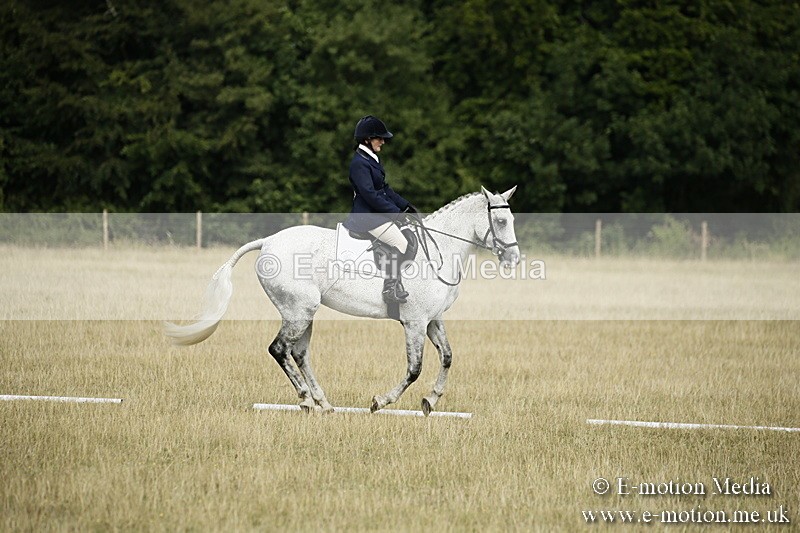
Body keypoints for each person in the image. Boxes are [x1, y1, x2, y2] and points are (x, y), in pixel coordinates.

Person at [343, 115, 417, 304]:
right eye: (379, 138)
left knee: (409, 236)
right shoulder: (359, 163)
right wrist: (396, 214)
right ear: (367, 139)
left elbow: (384, 189)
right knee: (402, 243)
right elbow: (370, 195)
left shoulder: (370, 159)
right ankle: (389, 289)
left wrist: (406, 206)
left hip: (375, 215)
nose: (383, 141)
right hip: (366, 218)